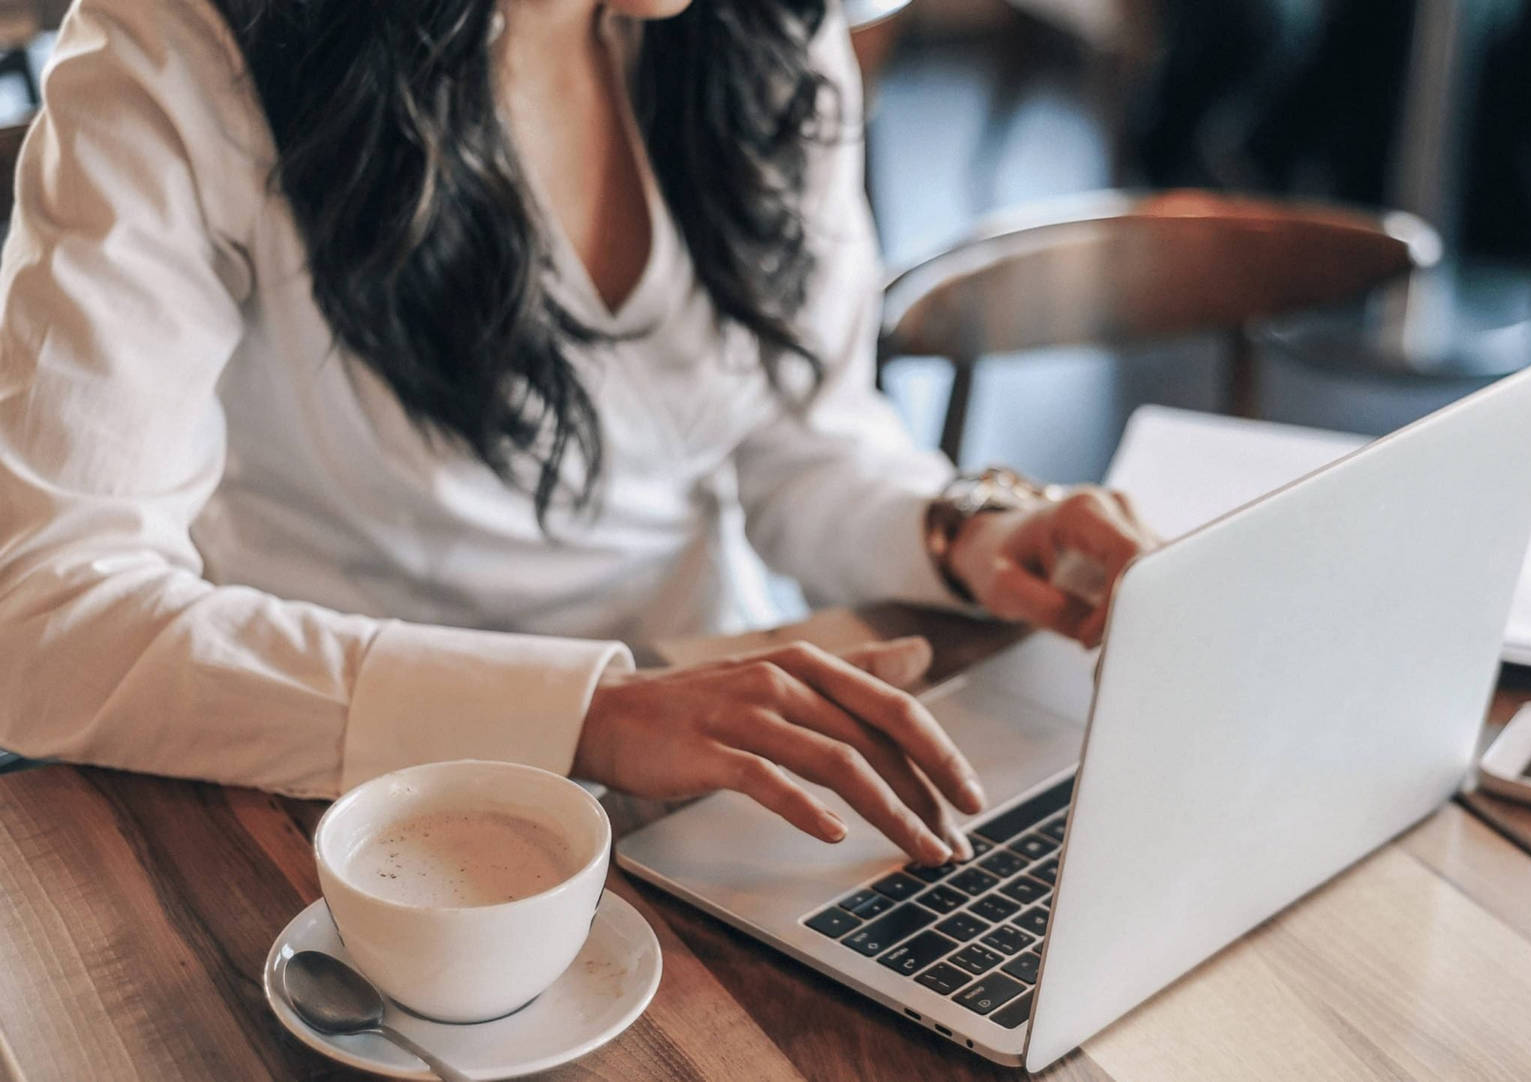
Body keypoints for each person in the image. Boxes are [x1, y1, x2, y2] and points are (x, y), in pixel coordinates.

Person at [0, 0, 1154, 867]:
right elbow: (49, 617)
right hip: (339, 802)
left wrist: (957, 528)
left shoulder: (758, 30)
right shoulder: (186, 50)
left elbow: (803, 443)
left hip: (726, 760)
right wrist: (588, 714)